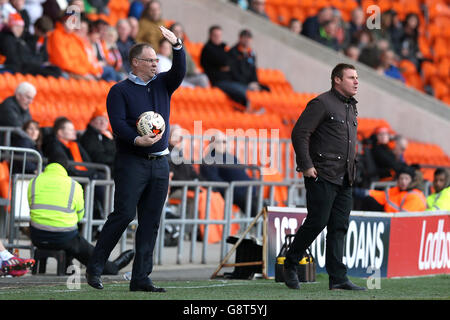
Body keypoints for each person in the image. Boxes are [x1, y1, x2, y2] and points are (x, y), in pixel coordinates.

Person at [86, 26, 186, 292]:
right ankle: (95, 267)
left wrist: (177, 46)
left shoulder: (163, 84)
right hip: (132, 161)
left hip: (160, 163)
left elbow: (180, 72)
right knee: (124, 214)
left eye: (157, 60)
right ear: (136, 63)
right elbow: (117, 123)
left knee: (151, 221)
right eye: (151, 60)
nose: (156, 63)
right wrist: (135, 139)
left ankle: (141, 277)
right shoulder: (119, 90)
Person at [286, 63, 364, 291]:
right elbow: (300, 133)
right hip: (322, 174)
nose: (356, 81)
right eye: (351, 77)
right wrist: (306, 165)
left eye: (357, 77)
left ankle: (338, 278)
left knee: (339, 227)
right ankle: (291, 264)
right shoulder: (321, 103)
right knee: (318, 222)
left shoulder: (351, 107)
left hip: (345, 177)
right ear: (337, 80)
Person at [28, 152, 134, 275]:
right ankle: (112, 267)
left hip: (37, 236)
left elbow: (32, 206)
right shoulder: (74, 185)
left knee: (74, 240)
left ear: (47, 165)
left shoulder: (34, 182)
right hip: (64, 238)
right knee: (86, 251)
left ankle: (68, 264)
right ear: (66, 167)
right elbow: (79, 215)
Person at [200, 131, 260, 217]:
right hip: (235, 193)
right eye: (218, 142)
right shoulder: (209, 160)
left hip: (249, 191)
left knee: (267, 207)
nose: (221, 144)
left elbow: (242, 173)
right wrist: (231, 188)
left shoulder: (231, 157)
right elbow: (214, 179)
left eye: (224, 142)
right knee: (259, 212)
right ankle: (264, 229)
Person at [200, 25, 253, 112]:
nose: (218, 38)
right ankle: (247, 110)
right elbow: (225, 62)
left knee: (245, 87)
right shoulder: (208, 49)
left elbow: (230, 64)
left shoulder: (222, 48)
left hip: (226, 79)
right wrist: (225, 65)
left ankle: (242, 109)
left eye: (219, 35)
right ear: (210, 36)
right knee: (242, 91)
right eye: (215, 35)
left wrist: (226, 65)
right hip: (217, 81)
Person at [0, 12, 61, 77]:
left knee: (56, 70)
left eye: (21, 26)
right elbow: (19, 58)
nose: (20, 29)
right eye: (17, 26)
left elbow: (44, 57)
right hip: (21, 67)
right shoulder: (11, 39)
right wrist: (39, 62)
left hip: (31, 65)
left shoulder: (41, 39)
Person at [355, 168, 427, 212]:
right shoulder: (395, 190)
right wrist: (358, 192)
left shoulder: (415, 196)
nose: (403, 181)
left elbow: (405, 218)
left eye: (406, 179)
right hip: (387, 216)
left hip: (397, 223)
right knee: (368, 200)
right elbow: (379, 195)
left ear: (411, 180)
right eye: (401, 178)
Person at [228, 29, 270, 93]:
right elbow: (233, 71)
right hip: (238, 82)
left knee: (267, 89)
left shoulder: (251, 53)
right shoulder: (233, 51)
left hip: (249, 83)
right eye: (245, 37)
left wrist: (255, 82)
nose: (247, 40)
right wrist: (247, 84)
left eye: (249, 38)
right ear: (240, 38)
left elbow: (253, 69)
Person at [169, 22, 209, 88]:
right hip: (179, 78)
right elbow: (175, 66)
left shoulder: (183, 46)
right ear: (171, 33)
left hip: (188, 76)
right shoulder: (168, 46)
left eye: (180, 31)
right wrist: (192, 71)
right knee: (202, 79)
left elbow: (191, 63)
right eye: (175, 31)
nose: (178, 33)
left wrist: (194, 70)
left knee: (203, 78)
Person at [80, 108, 116, 172]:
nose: (103, 122)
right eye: (99, 119)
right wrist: (117, 159)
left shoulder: (108, 135)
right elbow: (97, 157)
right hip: (101, 169)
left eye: (105, 120)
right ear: (92, 121)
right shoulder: (89, 137)